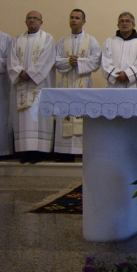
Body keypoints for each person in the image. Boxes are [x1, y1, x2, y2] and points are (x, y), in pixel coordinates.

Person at [8, 11, 55, 163]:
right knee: (23, 118)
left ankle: (39, 152)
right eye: (29, 18)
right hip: (22, 86)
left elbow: (46, 60)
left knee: (38, 117)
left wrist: (31, 73)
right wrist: (18, 72)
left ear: (41, 22)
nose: (32, 20)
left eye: (35, 18)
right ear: (25, 21)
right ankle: (25, 152)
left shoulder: (47, 39)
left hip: (38, 86)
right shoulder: (17, 39)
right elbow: (12, 59)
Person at [54, 9, 101, 161]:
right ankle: (64, 152)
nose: (74, 20)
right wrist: (68, 61)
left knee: (82, 117)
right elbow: (55, 60)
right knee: (65, 115)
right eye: (72, 17)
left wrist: (79, 61)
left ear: (83, 22)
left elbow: (96, 61)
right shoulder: (62, 41)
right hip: (66, 84)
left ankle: (81, 152)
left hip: (83, 85)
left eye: (77, 18)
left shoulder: (91, 41)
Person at [101, 12, 137, 88]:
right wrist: (117, 75)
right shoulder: (109, 41)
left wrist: (127, 74)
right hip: (114, 85)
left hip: (133, 85)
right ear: (118, 25)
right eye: (121, 21)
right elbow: (105, 63)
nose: (124, 23)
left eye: (127, 21)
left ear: (133, 25)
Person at [0, 12, 13, 159]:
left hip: (0, 81)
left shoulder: (5, 38)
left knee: (1, 114)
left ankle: (1, 150)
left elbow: (9, 60)